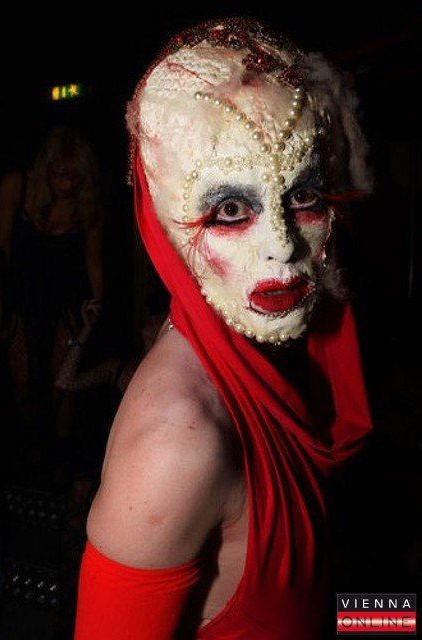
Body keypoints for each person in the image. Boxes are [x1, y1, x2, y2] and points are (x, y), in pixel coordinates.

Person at [75, 18, 373, 639]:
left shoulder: (272, 348)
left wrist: (394, 618)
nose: (282, 247)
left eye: (303, 196)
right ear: (162, 226)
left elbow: (326, 606)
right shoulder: (174, 447)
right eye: (231, 208)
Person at [0, 125, 104, 482]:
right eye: (60, 174)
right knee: (22, 381)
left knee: (63, 382)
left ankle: (59, 459)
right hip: (20, 297)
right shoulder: (17, 186)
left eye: (75, 176)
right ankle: (27, 450)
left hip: (66, 301)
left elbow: (93, 261)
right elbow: (1, 246)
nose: (67, 184)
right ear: (46, 167)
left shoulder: (87, 202)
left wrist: (97, 308)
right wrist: (3, 303)